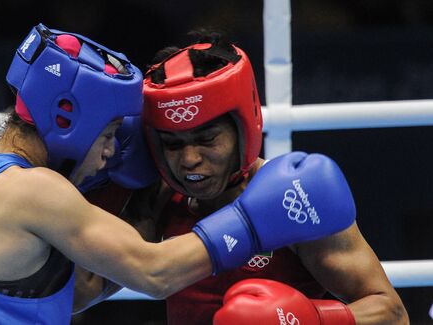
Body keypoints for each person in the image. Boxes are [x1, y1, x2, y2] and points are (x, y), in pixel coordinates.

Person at [0, 24, 356, 324]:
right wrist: (253, 221)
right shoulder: (35, 192)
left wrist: (149, 200)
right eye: (109, 133)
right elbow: (155, 274)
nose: (112, 152)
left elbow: (71, 290)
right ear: (68, 117)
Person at [136, 31, 408, 324]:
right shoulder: (157, 196)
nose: (189, 159)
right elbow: (90, 287)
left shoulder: (295, 200)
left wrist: (311, 319)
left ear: (243, 129)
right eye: (173, 145)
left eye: (207, 139)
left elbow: (391, 314)